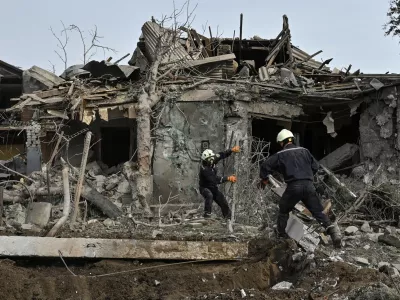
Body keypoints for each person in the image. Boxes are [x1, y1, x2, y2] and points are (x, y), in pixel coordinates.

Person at [259, 129, 341, 248]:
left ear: (282, 142)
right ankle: (334, 234)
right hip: (309, 186)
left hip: (294, 187)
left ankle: (281, 236)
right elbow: (316, 167)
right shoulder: (305, 151)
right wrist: (307, 176)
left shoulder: (280, 154)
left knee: (283, 209)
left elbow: (265, 166)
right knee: (318, 211)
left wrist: (264, 179)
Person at [199, 146, 240, 219]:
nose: (212, 159)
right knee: (209, 195)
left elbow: (221, 155)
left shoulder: (212, 159)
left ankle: (228, 218)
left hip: (213, 187)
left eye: (212, 157)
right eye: (209, 159)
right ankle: (207, 215)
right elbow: (215, 180)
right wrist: (228, 178)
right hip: (204, 187)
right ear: (205, 160)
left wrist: (231, 150)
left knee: (223, 201)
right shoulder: (204, 169)